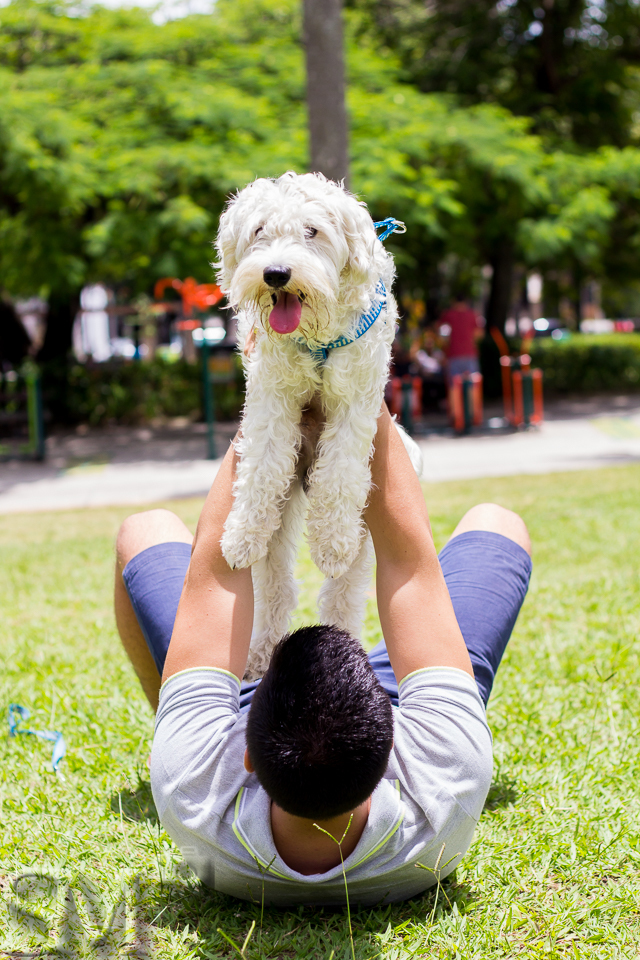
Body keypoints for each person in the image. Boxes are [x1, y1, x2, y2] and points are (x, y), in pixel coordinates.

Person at [114, 403, 531, 906]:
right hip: (363, 737)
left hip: (250, 734)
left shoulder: (190, 779)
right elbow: (409, 562)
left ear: (246, 751)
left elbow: (217, 566)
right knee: (497, 522)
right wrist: (355, 377)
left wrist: (275, 385)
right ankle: (183, 710)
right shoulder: (448, 772)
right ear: (393, 737)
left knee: (144, 529)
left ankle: (175, 714)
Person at [438, 296, 483, 380]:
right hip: (470, 354)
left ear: (454, 302)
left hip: (453, 354)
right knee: (472, 385)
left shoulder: (448, 314)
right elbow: (479, 334)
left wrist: (444, 350)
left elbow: (440, 332)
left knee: (454, 386)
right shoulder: (472, 314)